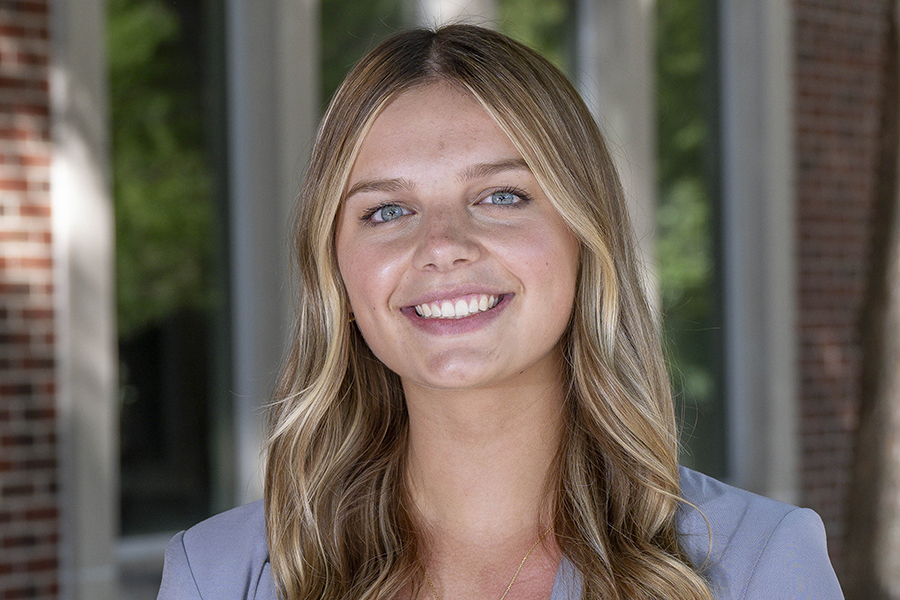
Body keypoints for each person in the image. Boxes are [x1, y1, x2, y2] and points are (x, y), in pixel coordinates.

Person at [157, 24, 844, 600]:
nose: (443, 246)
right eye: (387, 210)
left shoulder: (758, 564)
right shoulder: (217, 575)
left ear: (584, 233)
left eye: (501, 197)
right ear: (334, 266)